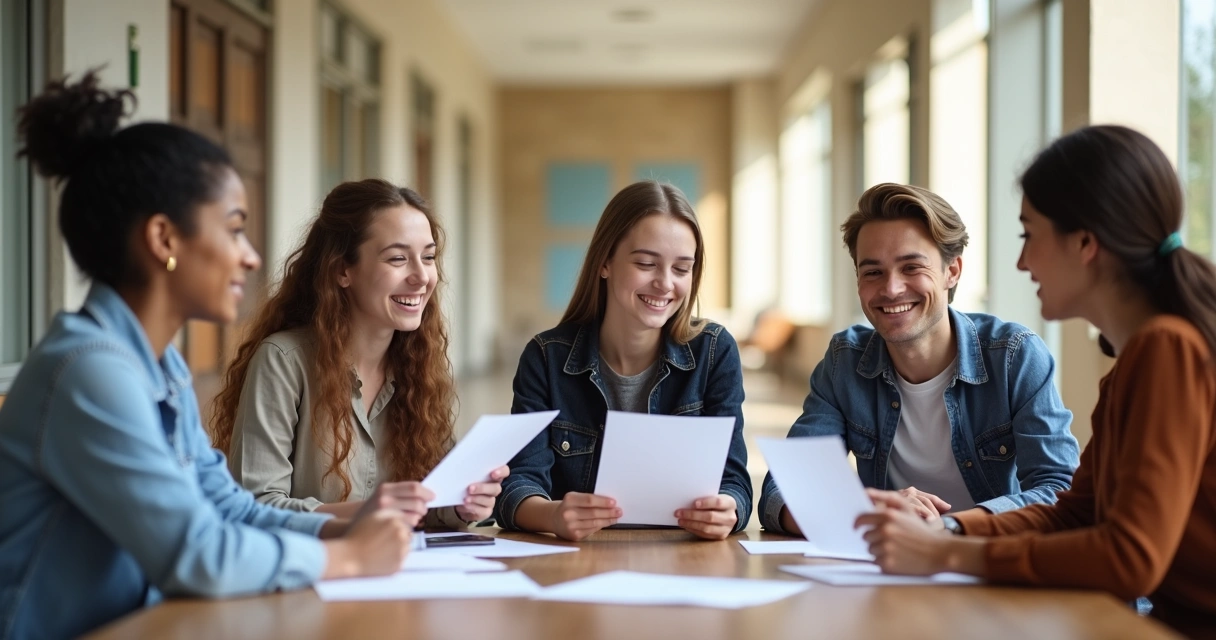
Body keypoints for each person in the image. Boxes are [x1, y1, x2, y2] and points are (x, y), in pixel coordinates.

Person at [0, 72, 417, 639]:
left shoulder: (159, 365)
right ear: (164, 240)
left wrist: (343, 530)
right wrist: (344, 560)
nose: (249, 257)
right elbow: (195, 553)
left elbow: (228, 508)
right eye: (234, 229)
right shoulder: (89, 372)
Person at [858, 125, 1216, 639]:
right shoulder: (1134, 362)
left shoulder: (1168, 348)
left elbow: (1130, 557)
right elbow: (1075, 512)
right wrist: (950, 527)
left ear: (1086, 243)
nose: (1022, 262)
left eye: (1029, 235)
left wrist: (948, 553)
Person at [759, 183, 1080, 535]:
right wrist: (865, 510)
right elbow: (781, 493)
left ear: (952, 271)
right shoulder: (845, 361)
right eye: (873, 272)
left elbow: (1058, 491)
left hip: (988, 563)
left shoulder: (1014, 356)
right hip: (890, 568)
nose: (891, 289)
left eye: (911, 268)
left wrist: (950, 528)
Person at [211, 179, 504, 528]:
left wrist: (461, 505)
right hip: (309, 574)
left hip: (400, 573)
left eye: (428, 257)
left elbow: (429, 503)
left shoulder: (419, 367)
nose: (422, 276)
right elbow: (255, 507)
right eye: (398, 258)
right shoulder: (283, 360)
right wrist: (366, 513)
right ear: (342, 270)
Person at [493, 181, 751, 541]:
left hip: (684, 558)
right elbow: (518, 483)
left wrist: (727, 509)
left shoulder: (714, 351)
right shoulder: (546, 358)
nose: (664, 284)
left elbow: (734, 481)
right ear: (605, 263)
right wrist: (553, 515)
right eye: (646, 263)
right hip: (577, 564)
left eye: (681, 269)